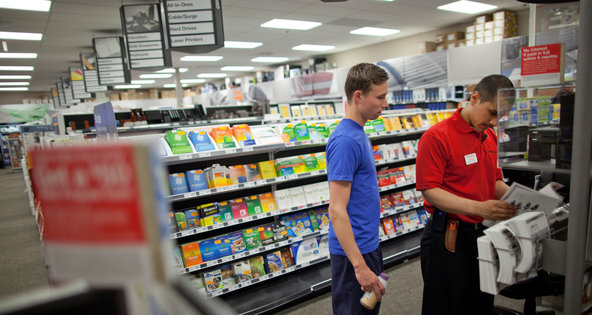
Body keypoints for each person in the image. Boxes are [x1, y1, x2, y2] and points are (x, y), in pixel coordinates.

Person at [416, 74, 518, 315]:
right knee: (444, 307)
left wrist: (521, 198)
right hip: (448, 238)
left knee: (480, 304)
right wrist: (479, 208)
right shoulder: (436, 136)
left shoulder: (489, 136)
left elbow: (493, 182)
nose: (494, 122)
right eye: (492, 112)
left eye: (500, 117)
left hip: (482, 236)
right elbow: (430, 191)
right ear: (475, 98)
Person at [326, 63, 390, 314]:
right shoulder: (345, 141)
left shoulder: (358, 132)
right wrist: (359, 266)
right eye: (380, 97)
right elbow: (336, 210)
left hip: (366, 245)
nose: (385, 103)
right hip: (354, 254)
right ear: (358, 96)